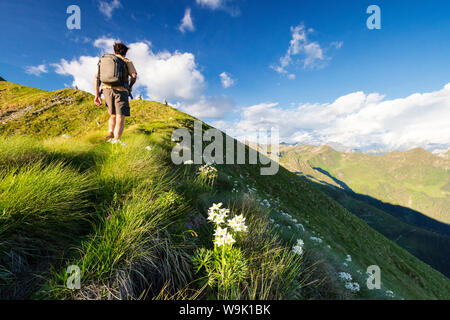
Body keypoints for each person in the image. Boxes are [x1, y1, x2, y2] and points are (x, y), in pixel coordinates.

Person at [94, 42, 137, 145]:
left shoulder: (105, 60)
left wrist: (97, 95)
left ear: (114, 51)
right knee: (120, 116)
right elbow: (134, 75)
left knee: (112, 114)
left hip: (106, 89)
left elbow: (96, 77)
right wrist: (130, 87)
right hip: (121, 90)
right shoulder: (127, 61)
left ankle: (110, 132)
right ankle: (116, 141)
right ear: (125, 53)